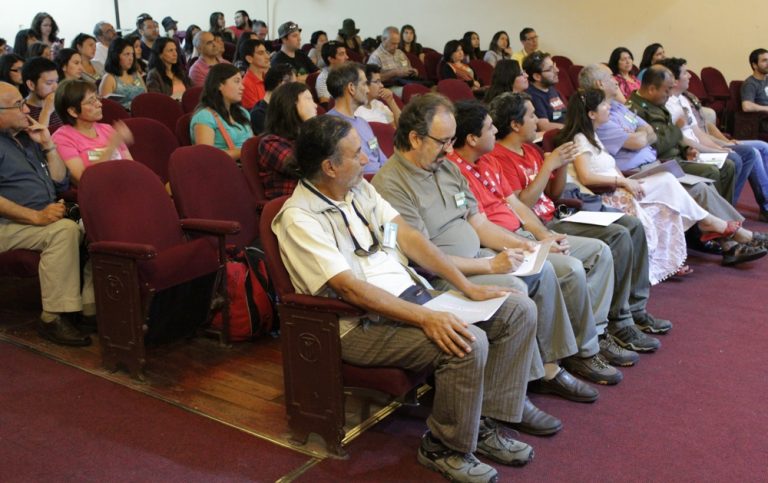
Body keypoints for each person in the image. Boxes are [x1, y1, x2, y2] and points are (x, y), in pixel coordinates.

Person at [274, 113, 539, 481]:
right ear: (329, 167)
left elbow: (410, 237)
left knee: (517, 310)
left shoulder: (359, 190)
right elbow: (351, 288)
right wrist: (428, 317)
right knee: (467, 341)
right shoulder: (299, 218)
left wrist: (465, 284)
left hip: (412, 298)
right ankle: (443, 447)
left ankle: (483, 425)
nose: (367, 159)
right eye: (356, 154)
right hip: (359, 324)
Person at [373, 93, 620, 399]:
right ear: (414, 138)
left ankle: (552, 365)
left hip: (478, 256)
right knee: (517, 287)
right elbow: (423, 256)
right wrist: (490, 265)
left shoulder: (446, 168)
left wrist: (528, 246)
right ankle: (521, 385)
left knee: (541, 267)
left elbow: (480, 224)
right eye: (443, 142)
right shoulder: (391, 184)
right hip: (444, 274)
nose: (450, 150)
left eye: (452, 141)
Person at [484, 92, 669, 352]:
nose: (538, 120)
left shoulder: (531, 150)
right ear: (515, 124)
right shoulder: (499, 158)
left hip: (558, 214)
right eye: (531, 115)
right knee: (617, 236)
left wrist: (560, 166)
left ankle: (634, 309)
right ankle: (614, 322)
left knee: (631, 225)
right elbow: (522, 205)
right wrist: (549, 166)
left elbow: (555, 194)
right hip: (540, 225)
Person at [558, 87, 768, 268]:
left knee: (691, 184)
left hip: (627, 182)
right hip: (611, 193)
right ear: (592, 114)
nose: (609, 108)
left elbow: (645, 138)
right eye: (604, 105)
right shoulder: (581, 139)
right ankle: (722, 229)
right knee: (671, 182)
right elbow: (586, 177)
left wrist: (625, 179)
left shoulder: (594, 135)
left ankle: (721, 232)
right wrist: (623, 181)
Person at [0, 81, 94, 347]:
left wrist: (48, 144)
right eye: (18, 105)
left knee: (95, 225)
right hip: (7, 224)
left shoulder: (25, 138)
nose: (26, 108)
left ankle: (89, 307)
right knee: (63, 232)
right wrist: (35, 217)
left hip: (40, 217)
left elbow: (59, 182)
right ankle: (53, 316)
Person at [626, 65, 736, 203]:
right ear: (652, 89)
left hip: (677, 157)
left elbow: (668, 133)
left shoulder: (655, 101)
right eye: (667, 90)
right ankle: (711, 218)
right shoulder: (635, 110)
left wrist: (687, 149)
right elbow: (658, 146)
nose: (670, 94)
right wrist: (677, 128)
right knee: (711, 171)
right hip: (663, 162)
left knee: (728, 166)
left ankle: (724, 212)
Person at [661, 57, 756, 205]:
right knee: (734, 160)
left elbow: (698, 133)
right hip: (690, 151)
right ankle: (725, 205)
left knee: (748, 152)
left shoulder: (684, 100)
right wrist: (716, 151)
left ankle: (729, 203)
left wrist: (720, 147)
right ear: (674, 80)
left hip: (700, 145)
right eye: (685, 73)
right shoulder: (667, 104)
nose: (690, 76)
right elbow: (682, 139)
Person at [52, 79, 134, 183]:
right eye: (91, 101)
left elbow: (131, 166)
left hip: (125, 183)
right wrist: (111, 146)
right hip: (99, 192)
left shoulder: (107, 129)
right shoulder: (62, 138)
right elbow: (84, 179)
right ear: (73, 111)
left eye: (97, 98)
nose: (99, 104)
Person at [258, 82, 316, 199]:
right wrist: (311, 124)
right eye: (308, 99)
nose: (315, 105)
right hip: (291, 206)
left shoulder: (300, 136)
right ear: (291, 104)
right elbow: (308, 168)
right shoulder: (270, 142)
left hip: (313, 201)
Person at [327, 63, 388, 174]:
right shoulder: (329, 126)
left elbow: (378, 154)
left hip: (381, 180)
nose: (368, 90)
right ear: (351, 88)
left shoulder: (363, 123)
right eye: (364, 84)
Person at [191, 63, 252, 161]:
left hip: (248, 164)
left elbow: (251, 141)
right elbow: (206, 156)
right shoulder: (205, 116)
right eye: (237, 82)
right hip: (224, 170)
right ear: (219, 85)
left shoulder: (242, 112)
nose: (242, 87)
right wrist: (245, 151)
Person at [99, 37, 147, 110]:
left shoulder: (135, 73)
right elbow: (106, 108)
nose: (131, 58)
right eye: (127, 54)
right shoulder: (109, 78)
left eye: (132, 54)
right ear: (115, 56)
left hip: (143, 111)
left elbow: (146, 95)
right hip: (123, 116)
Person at [523, 51, 566, 131]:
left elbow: (561, 112)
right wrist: (572, 127)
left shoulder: (551, 88)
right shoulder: (533, 96)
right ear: (537, 76)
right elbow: (544, 126)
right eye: (550, 69)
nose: (557, 70)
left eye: (554, 66)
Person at [250, 63, 296, 135]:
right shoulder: (259, 114)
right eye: (293, 85)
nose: (295, 90)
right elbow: (272, 140)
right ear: (281, 84)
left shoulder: (286, 106)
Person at [22, 57, 62, 130]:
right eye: (49, 83)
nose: (55, 87)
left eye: (56, 81)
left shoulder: (58, 103)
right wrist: (46, 111)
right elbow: (39, 139)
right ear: (31, 85)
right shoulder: (24, 112)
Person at [238, 39, 270, 109]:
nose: (267, 56)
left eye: (266, 52)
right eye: (261, 53)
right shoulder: (246, 85)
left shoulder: (269, 77)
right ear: (249, 59)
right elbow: (257, 114)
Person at [316, 41, 349, 105]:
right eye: (342, 54)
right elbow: (326, 105)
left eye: (346, 53)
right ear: (331, 59)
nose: (347, 57)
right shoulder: (323, 79)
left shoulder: (349, 72)